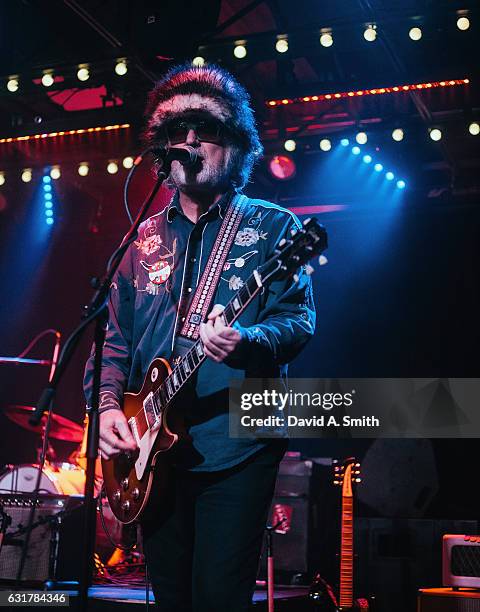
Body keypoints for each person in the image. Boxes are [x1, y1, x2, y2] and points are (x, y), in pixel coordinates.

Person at [84, 62, 316, 612]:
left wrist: (249, 340)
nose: (188, 144)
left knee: (217, 596)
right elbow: (114, 339)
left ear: (234, 145)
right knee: (171, 598)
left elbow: (299, 321)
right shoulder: (141, 239)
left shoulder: (274, 228)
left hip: (237, 442)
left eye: (204, 132)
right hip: (153, 450)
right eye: (175, 134)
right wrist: (110, 408)